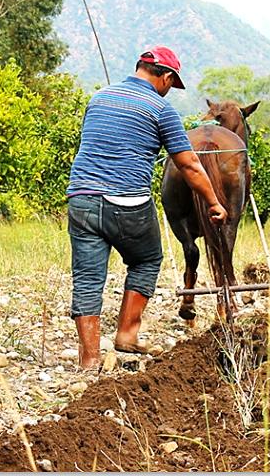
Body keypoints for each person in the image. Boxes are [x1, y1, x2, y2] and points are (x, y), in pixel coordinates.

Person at [66, 46, 228, 370]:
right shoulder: (161, 109)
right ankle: (126, 334)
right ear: (166, 77)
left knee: (87, 278)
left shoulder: (98, 98)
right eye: (172, 84)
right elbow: (190, 166)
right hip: (127, 203)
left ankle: (89, 359)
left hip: (81, 198)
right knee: (147, 258)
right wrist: (213, 202)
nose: (170, 90)